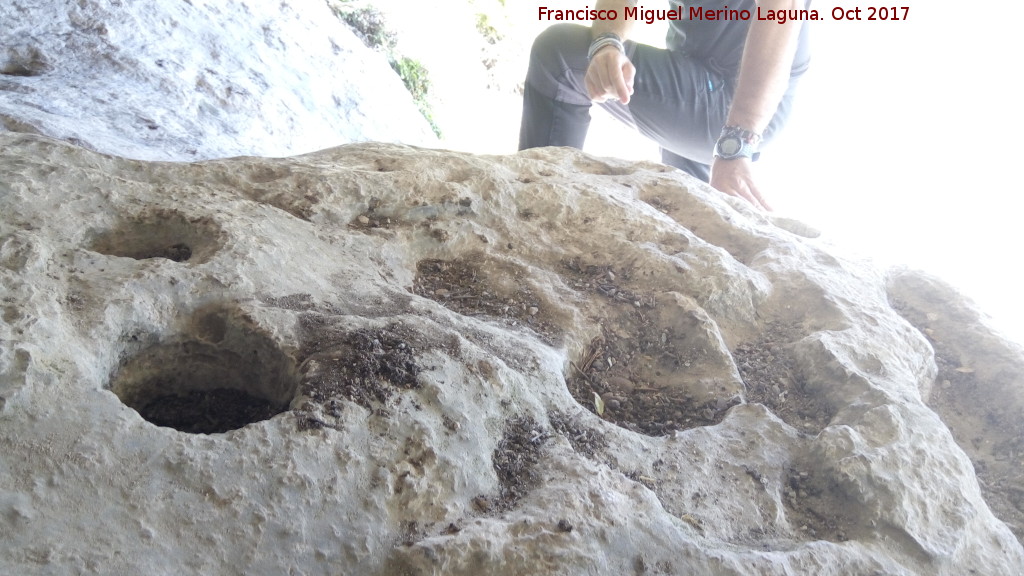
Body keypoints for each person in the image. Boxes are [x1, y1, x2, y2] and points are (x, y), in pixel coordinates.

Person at [519, 0, 812, 211]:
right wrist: (607, 44)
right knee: (690, 216)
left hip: (746, 98)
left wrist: (736, 143)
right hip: (693, 67)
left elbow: (781, 12)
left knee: (557, 55)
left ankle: (533, 207)